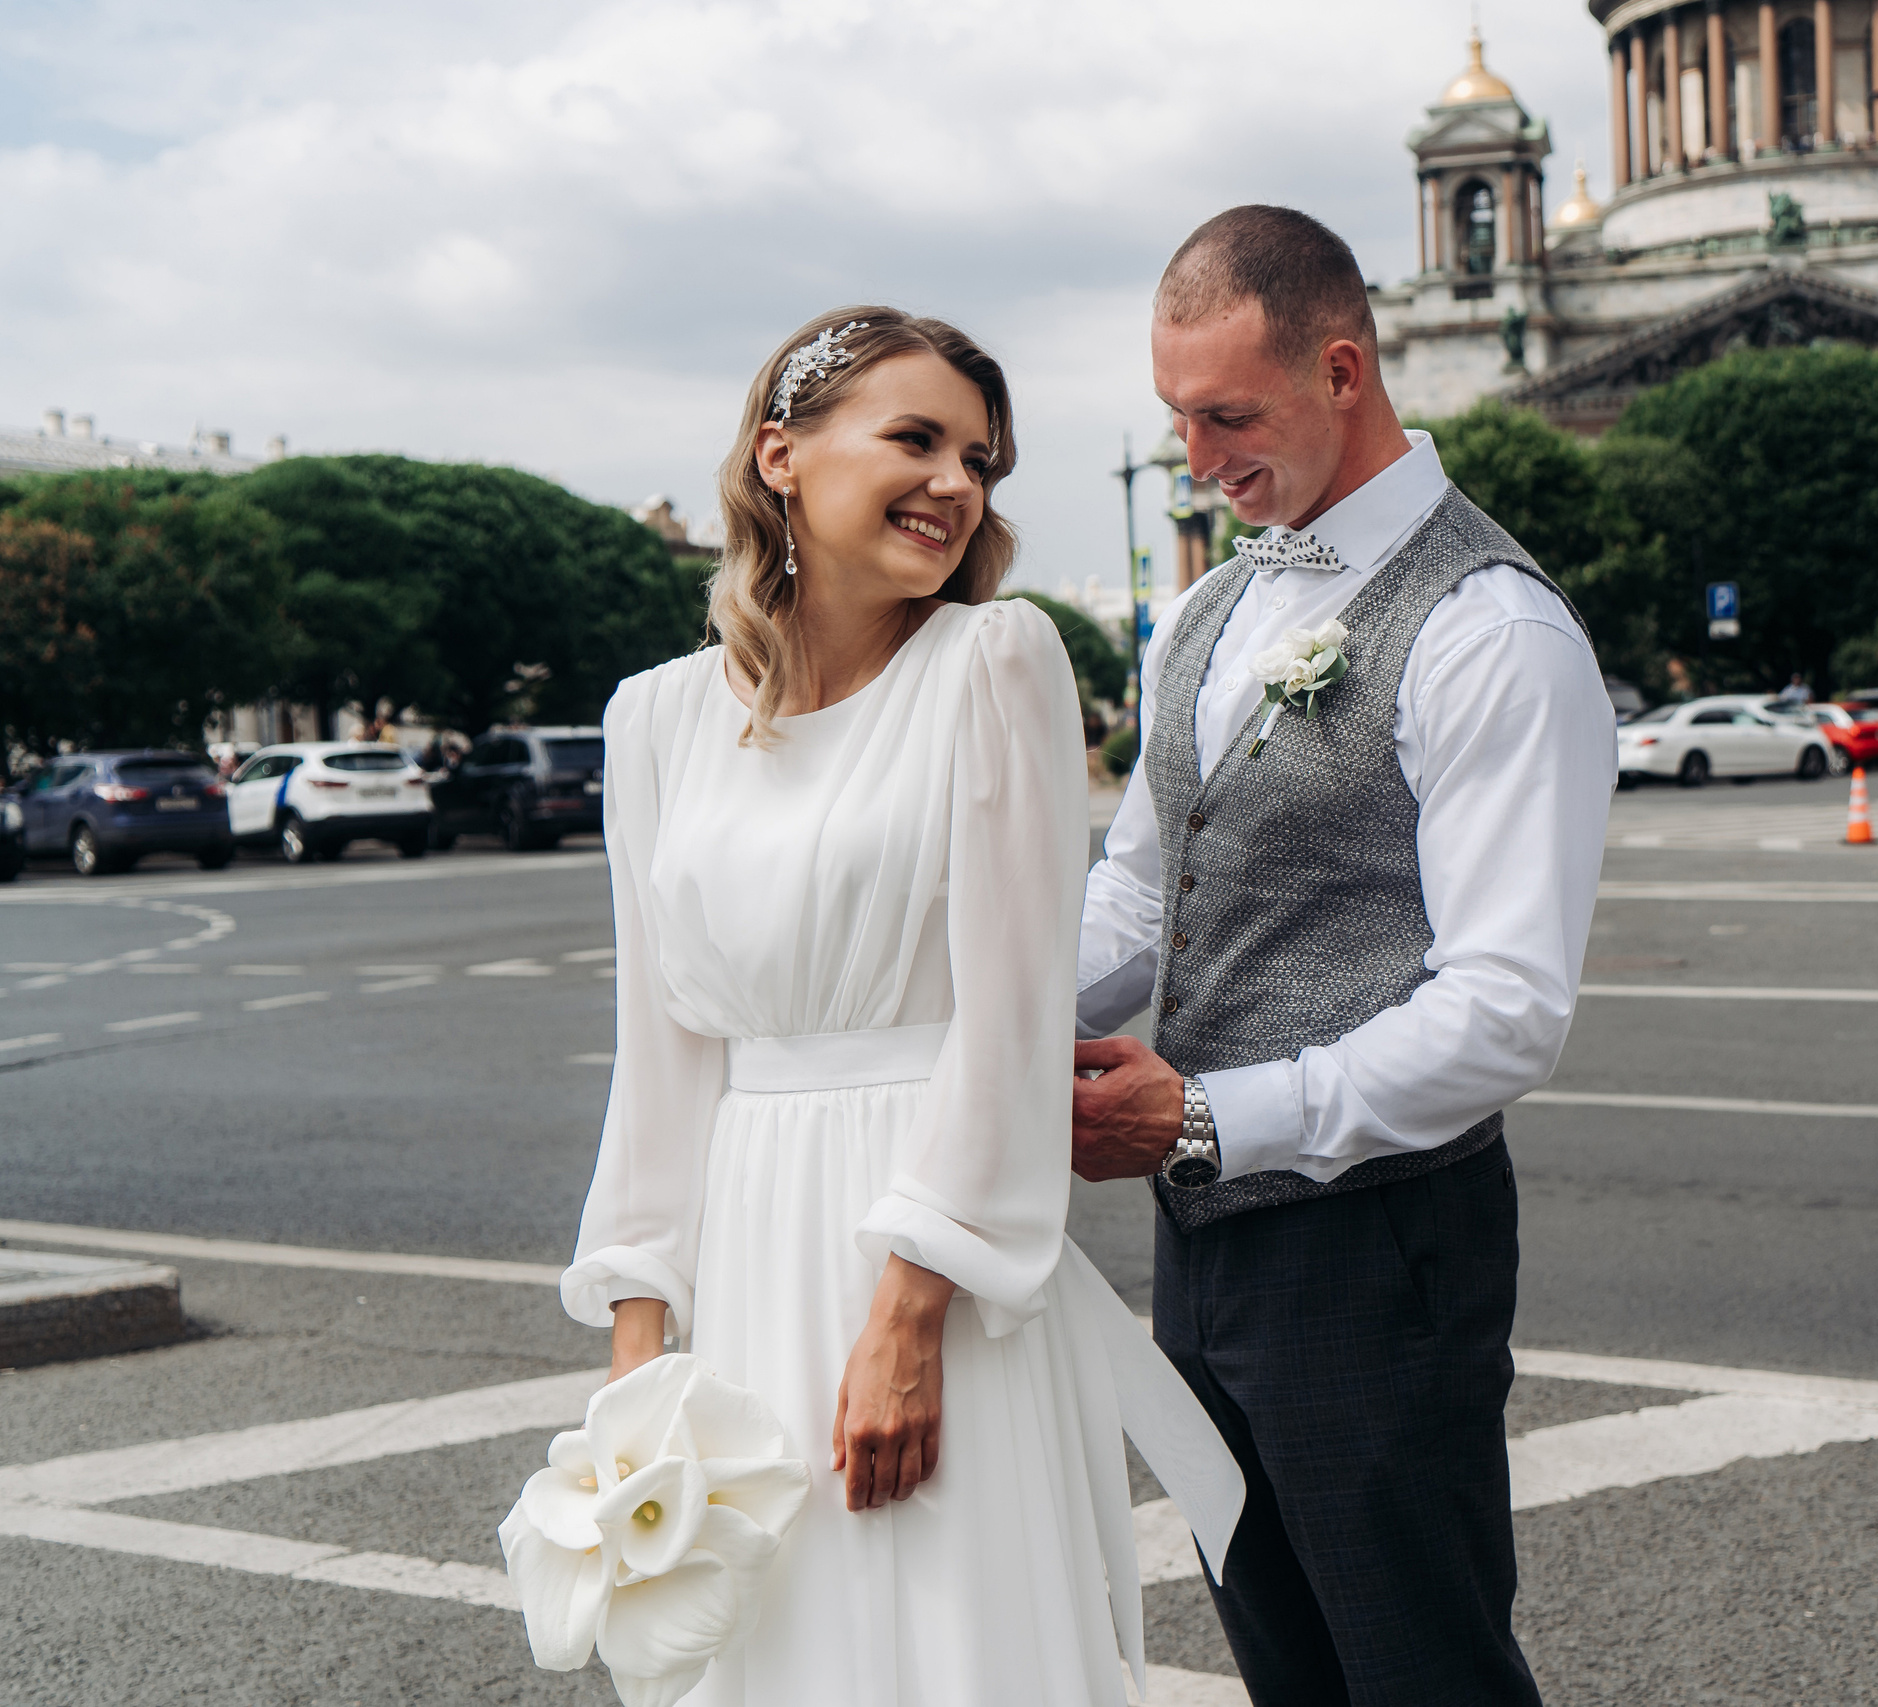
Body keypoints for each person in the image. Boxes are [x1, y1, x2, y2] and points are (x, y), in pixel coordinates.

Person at [559, 308, 1236, 1705]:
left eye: (979, 458)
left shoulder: (993, 665)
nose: (956, 483)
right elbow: (665, 1050)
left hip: (932, 1258)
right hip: (749, 1249)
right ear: (783, 455)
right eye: (916, 438)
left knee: (946, 1636)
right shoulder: (653, 720)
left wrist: (912, 1310)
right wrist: (637, 1363)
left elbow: (1007, 1018)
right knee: (773, 1647)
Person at [1072, 206, 1616, 1707]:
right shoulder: (1208, 603)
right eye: (1179, 417)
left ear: (1343, 367)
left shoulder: (1491, 628)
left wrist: (1195, 1114)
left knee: (1420, 1666)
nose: (1198, 460)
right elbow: (1137, 898)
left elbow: (1506, 1013)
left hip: (1383, 1246)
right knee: (1286, 1664)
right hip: (1206, 1244)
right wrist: (956, 1016)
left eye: (1229, 416)